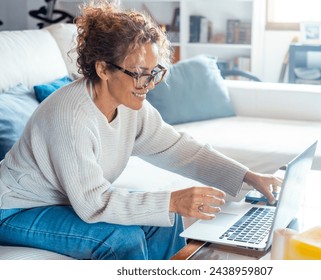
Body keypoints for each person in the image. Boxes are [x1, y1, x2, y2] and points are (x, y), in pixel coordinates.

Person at [0, 1, 281, 260]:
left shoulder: (130, 106)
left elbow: (181, 150)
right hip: (14, 208)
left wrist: (247, 175)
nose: (147, 83)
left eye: (153, 72)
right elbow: (93, 204)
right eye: (137, 73)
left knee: (165, 221)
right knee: (122, 239)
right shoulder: (70, 117)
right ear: (103, 69)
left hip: (60, 200)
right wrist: (171, 200)